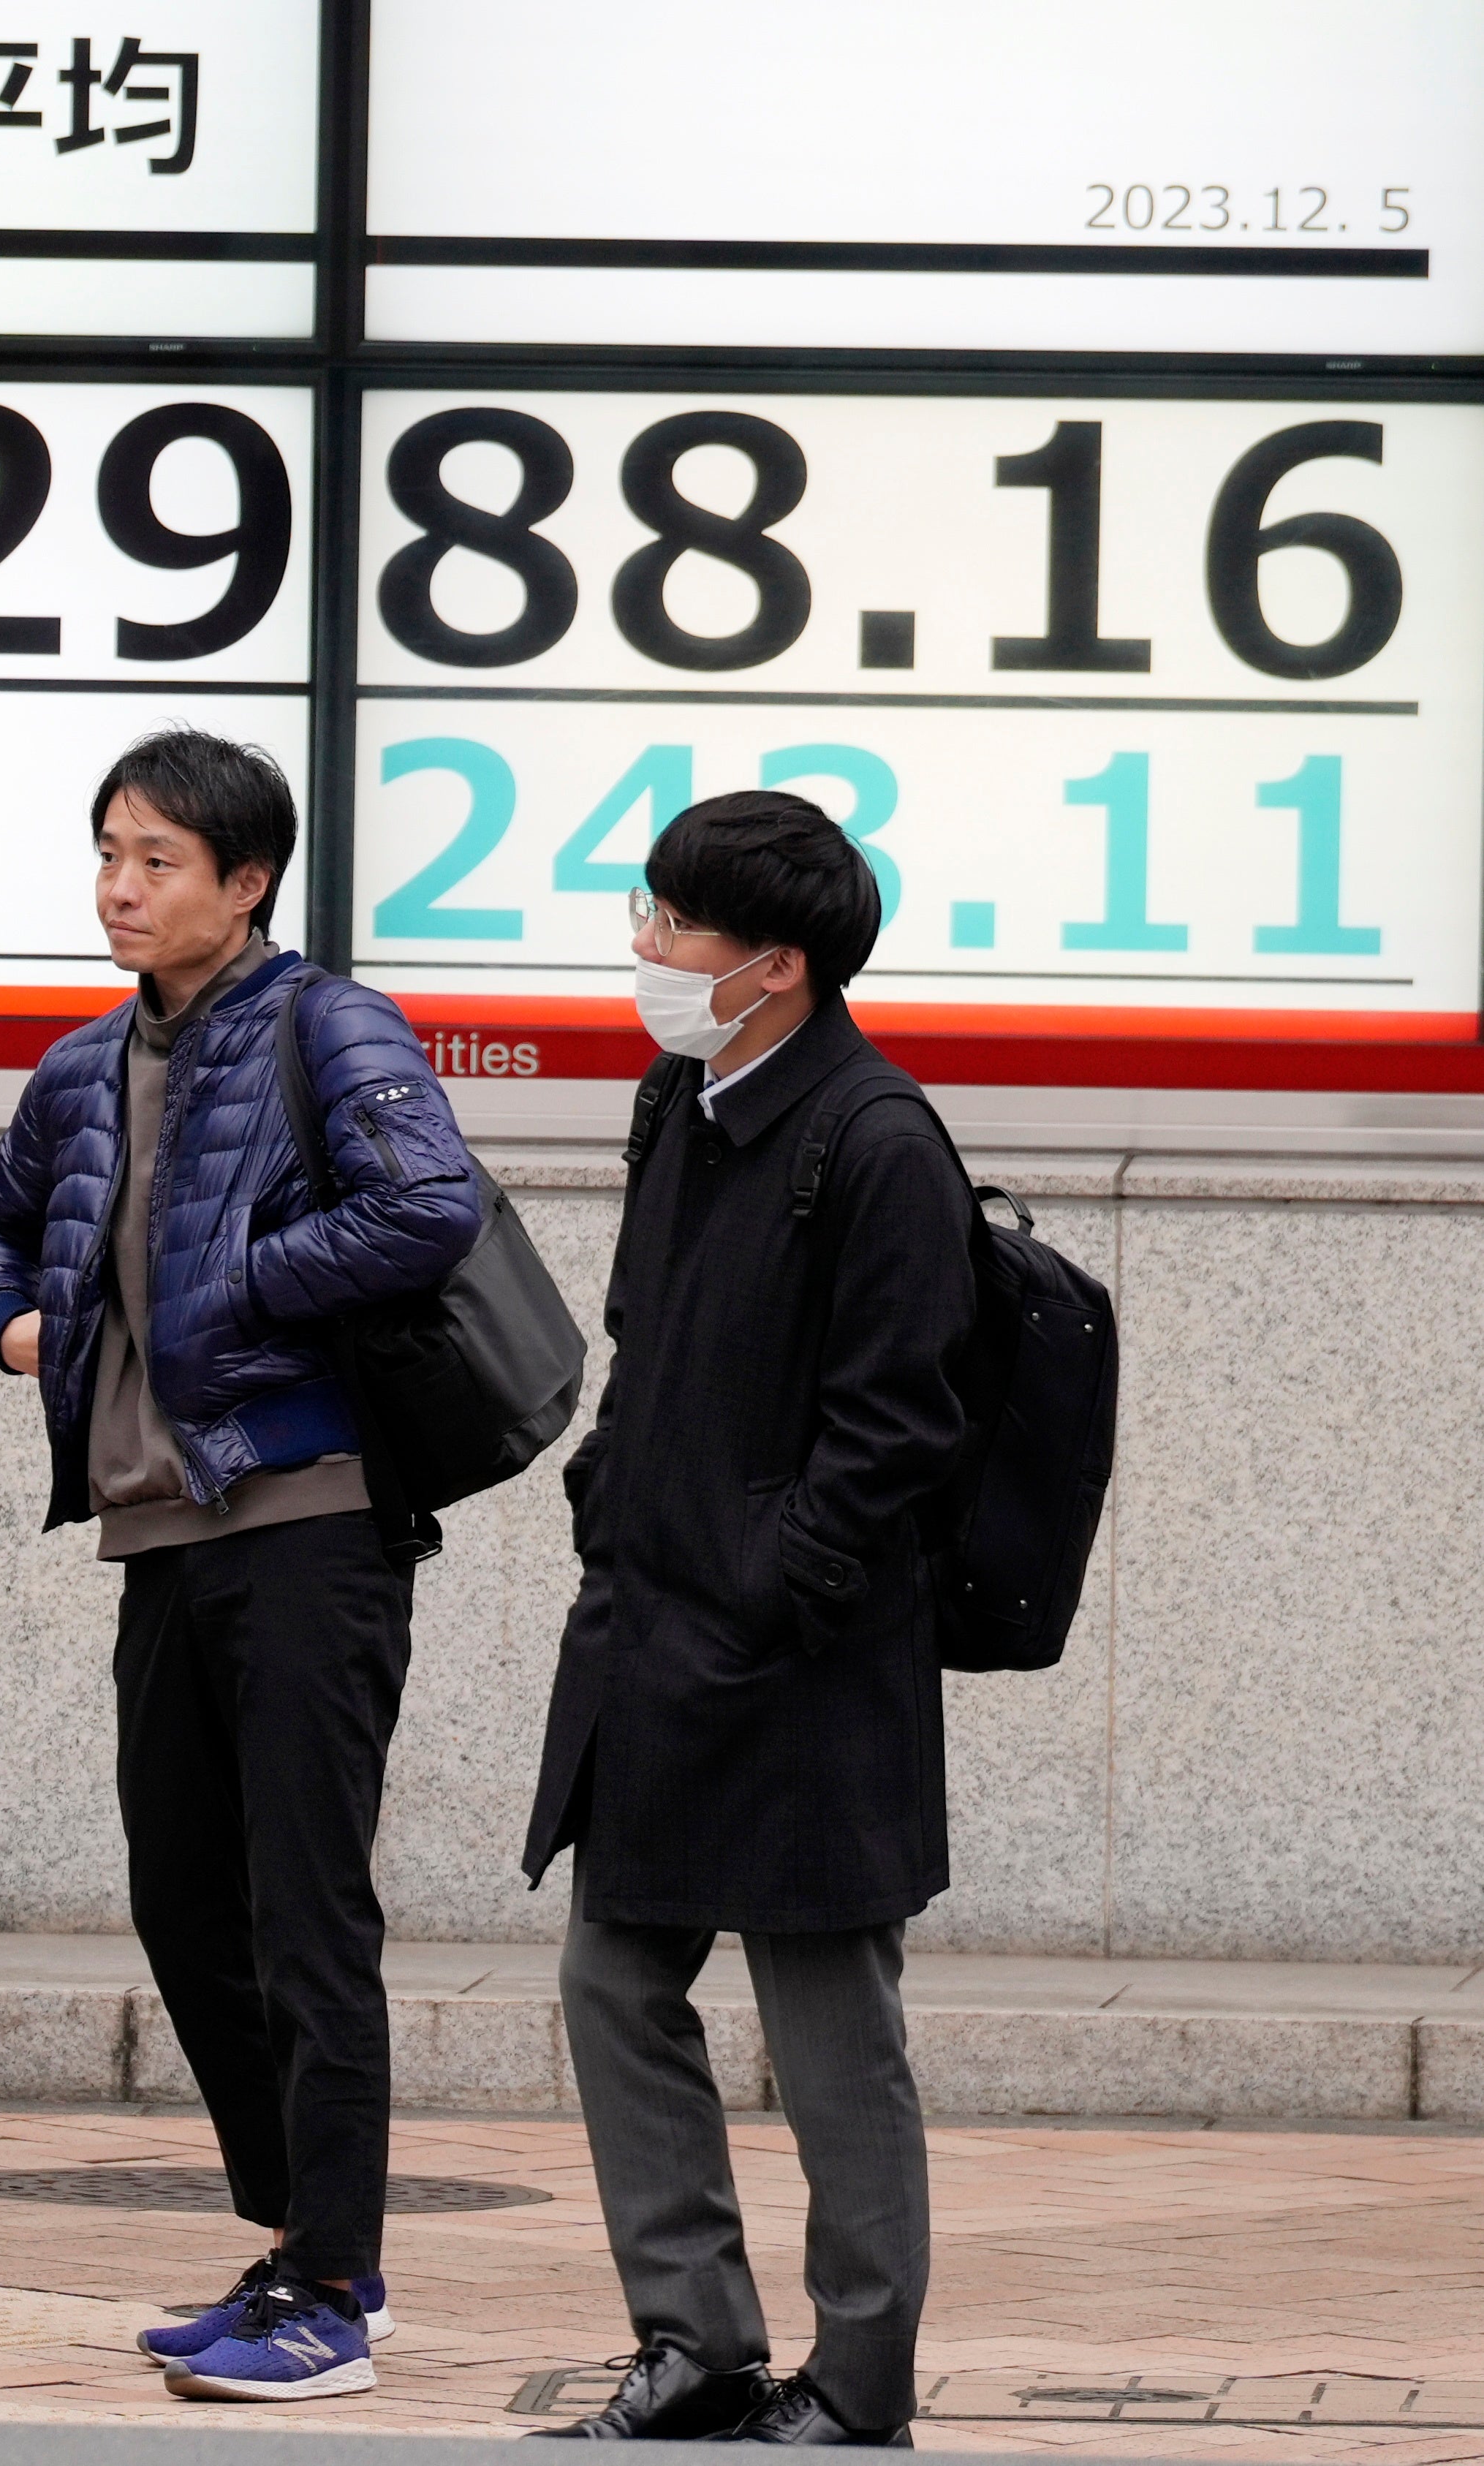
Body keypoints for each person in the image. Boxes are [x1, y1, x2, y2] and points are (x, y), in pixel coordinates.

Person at [0, 727, 480, 2405]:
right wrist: (14, 1321)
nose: (119, 887)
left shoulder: (329, 1025)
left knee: (303, 1909)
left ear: (245, 882)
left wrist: (233, 1284)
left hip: (307, 1516)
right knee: (183, 1900)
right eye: (108, 852)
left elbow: (431, 1204)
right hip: (158, 1531)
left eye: (157, 859)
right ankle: (305, 2246)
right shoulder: (82, 1065)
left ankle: (327, 2288)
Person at [520, 793, 975, 2448]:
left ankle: (859, 2380)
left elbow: (899, 1424)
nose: (644, 948)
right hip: (651, 1632)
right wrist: (612, 1501)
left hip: (804, 1666)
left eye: (671, 923)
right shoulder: (678, 1098)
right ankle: (696, 2340)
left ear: (774, 964)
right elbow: (643, 1338)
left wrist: (776, 1575)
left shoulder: (879, 1137)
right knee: (610, 1978)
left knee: (832, 2031)